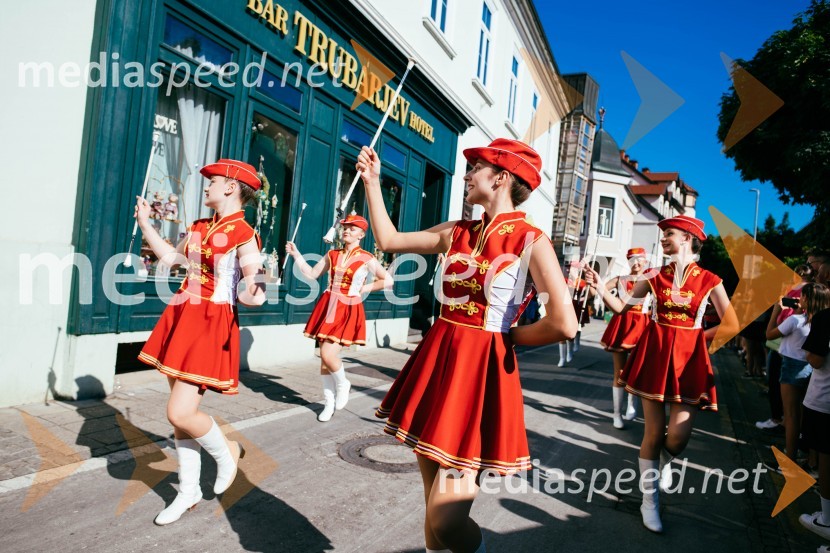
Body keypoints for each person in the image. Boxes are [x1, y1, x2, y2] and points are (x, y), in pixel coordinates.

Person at [359, 139, 577, 553]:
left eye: (476, 167)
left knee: (446, 519)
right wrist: (372, 182)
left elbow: (564, 323)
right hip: (436, 360)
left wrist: (506, 337)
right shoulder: (457, 231)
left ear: (501, 178)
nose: (467, 174)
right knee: (432, 508)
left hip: (480, 373)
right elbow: (389, 240)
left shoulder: (531, 240)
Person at [583, 215, 738, 534]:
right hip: (654, 357)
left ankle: (664, 460)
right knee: (652, 434)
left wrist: (698, 339)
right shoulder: (653, 276)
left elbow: (732, 324)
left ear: (687, 238)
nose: (663, 238)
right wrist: (599, 286)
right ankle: (649, 502)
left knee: (678, 437)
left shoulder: (710, 279)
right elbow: (622, 308)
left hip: (689, 362)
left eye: (669, 233)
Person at [135, 159, 266, 525]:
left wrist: (252, 290)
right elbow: (170, 258)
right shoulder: (198, 226)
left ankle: (227, 452)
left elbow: (254, 284)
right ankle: (188, 490)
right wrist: (145, 223)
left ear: (231, 187)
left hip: (211, 322)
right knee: (182, 417)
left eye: (213, 181)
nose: (206, 185)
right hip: (182, 316)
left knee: (180, 412)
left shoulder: (244, 233)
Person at [285, 214, 392, 422]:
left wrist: (364, 288)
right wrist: (297, 254)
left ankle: (343, 383)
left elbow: (387, 280)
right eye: (345, 227)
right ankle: (328, 403)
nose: (347, 231)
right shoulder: (332, 254)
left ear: (361, 234)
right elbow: (312, 274)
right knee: (325, 359)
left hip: (348, 307)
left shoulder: (367, 257)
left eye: (352, 228)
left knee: (327, 354)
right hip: (328, 305)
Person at [767, 284, 830, 465]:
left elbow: (769, 334)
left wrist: (776, 311)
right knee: (805, 417)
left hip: (792, 368)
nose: (799, 299)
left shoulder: (795, 320)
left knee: (791, 416)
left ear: (807, 299)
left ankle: (790, 459)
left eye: (802, 296)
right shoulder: (821, 323)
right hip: (811, 371)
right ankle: (811, 460)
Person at [599, 247, 652, 429]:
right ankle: (616, 414)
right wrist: (593, 283)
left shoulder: (650, 280)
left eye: (639, 259)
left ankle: (632, 404)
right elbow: (599, 290)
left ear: (645, 260)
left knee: (637, 370)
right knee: (619, 373)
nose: (635, 263)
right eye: (632, 259)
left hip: (642, 325)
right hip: (622, 323)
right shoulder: (619, 280)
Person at [798, 288, 830, 549]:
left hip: (824, 400)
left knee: (826, 458)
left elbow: (816, 360)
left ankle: (826, 520)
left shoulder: (825, 318)